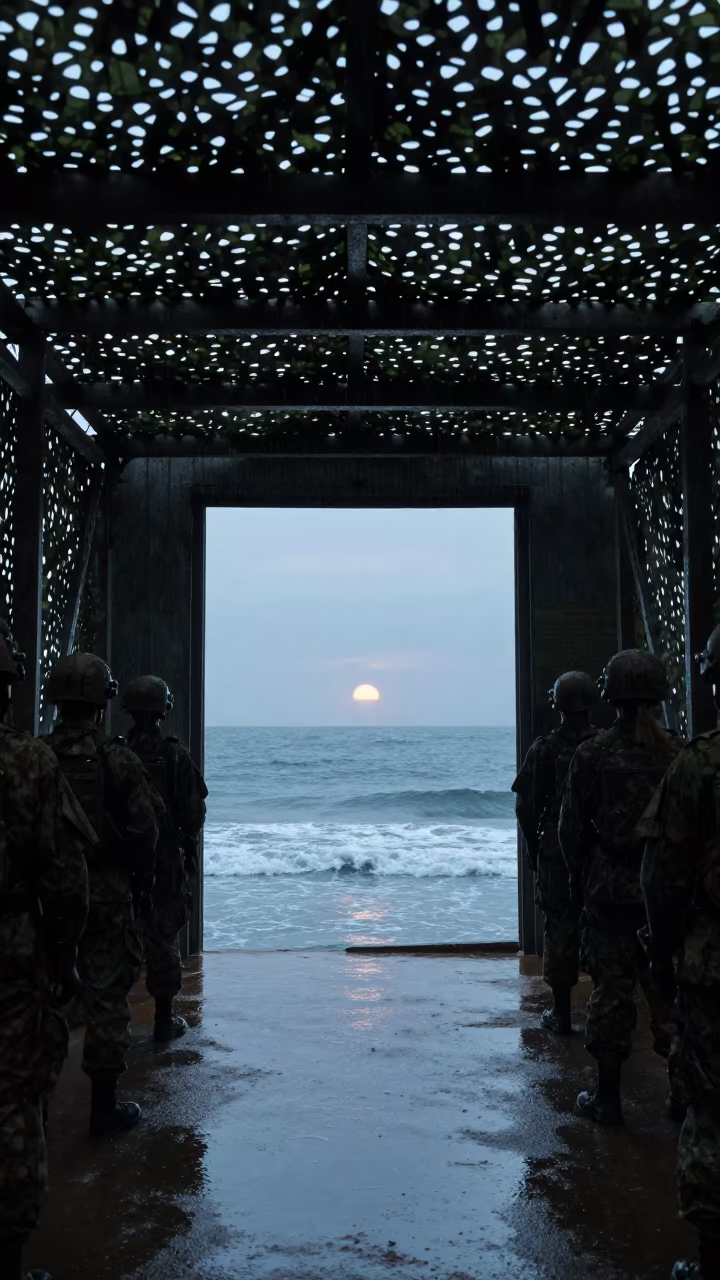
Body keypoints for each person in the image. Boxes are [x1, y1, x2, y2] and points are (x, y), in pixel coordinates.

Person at [0, 623, 93, 1280]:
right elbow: (63, 875)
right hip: (11, 951)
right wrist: (63, 956)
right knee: (12, 1093)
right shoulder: (29, 763)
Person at [558, 649, 680, 1125]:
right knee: (670, 993)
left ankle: (607, 1101)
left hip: (610, 890)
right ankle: (682, 1098)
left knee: (611, 992)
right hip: (667, 893)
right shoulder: (679, 753)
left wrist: (578, 876)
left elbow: (571, 829)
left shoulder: (594, 754)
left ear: (609, 695)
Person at [41, 653, 160, 1136]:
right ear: (103, 702)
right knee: (108, 997)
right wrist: (142, 883)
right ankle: (103, 1108)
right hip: (107, 898)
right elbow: (145, 830)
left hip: (46, 900)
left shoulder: (37, 755)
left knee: (42, 994)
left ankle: (34, 1107)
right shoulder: (117, 758)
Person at [640, 625, 720, 1280]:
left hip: (713, 966)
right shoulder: (679, 753)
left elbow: (664, 877)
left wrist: (662, 959)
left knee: (711, 1106)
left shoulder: (698, 765)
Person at [121, 676, 207, 1042]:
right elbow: (194, 812)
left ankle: (113, 1023)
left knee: (118, 937)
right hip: (164, 861)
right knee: (163, 938)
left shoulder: (116, 753)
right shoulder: (174, 755)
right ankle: (163, 1020)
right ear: (164, 710)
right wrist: (186, 842)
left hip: (121, 861)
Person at [513, 670, 599, 1034]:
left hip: (555, 851)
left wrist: (534, 848)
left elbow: (525, 807)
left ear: (556, 705)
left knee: (559, 927)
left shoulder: (544, 749)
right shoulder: (603, 746)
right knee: (601, 925)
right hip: (599, 851)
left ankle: (561, 1013)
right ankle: (605, 1009)